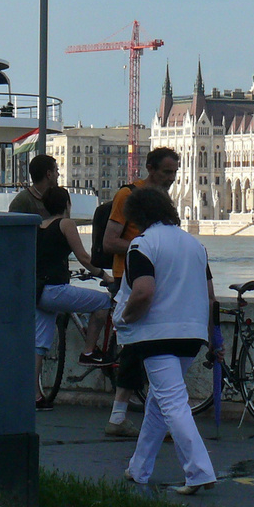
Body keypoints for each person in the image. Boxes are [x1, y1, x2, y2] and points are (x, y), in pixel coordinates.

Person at [116, 185, 217, 495]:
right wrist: (215, 339)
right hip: (192, 334)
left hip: (156, 335)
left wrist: (126, 317)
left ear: (138, 217)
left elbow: (143, 291)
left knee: (172, 403)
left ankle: (199, 471)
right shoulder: (195, 246)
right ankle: (139, 468)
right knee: (159, 404)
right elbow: (211, 297)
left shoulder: (142, 245)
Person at [102, 147, 182, 438]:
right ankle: (127, 416)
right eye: (166, 172)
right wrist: (144, 250)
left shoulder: (164, 199)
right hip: (130, 278)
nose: (172, 178)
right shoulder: (128, 196)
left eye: (174, 172)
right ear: (150, 168)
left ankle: (131, 416)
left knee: (147, 349)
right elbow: (110, 242)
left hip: (158, 281)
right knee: (139, 349)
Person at [34, 186, 113, 409]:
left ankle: (36, 397)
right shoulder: (65, 224)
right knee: (103, 302)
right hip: (55, 290)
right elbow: (84, 257)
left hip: (38, 292)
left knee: (39, 345)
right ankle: (89, 351)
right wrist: (104, 275)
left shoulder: (38, 226)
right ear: (67, 204)